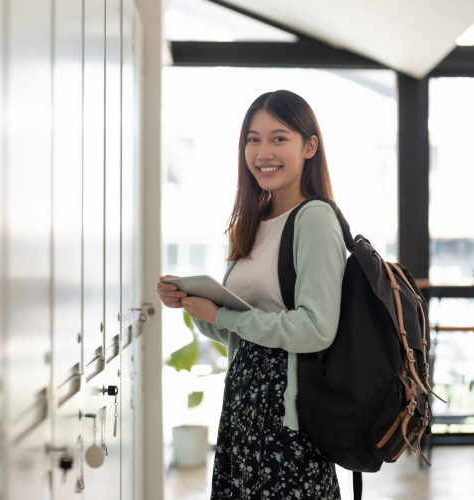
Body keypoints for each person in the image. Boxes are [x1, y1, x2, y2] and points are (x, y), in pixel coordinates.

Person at [157, 90, 346, 499]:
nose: (263, 152)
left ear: (309, 146)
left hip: (286, 422)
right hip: (245, 411)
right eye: (252, 139)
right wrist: (194, 306)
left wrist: (222, 316)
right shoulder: (256, 221)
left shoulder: (315, 218)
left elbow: (316, 328)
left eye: (279, 138)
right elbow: (240, 334)